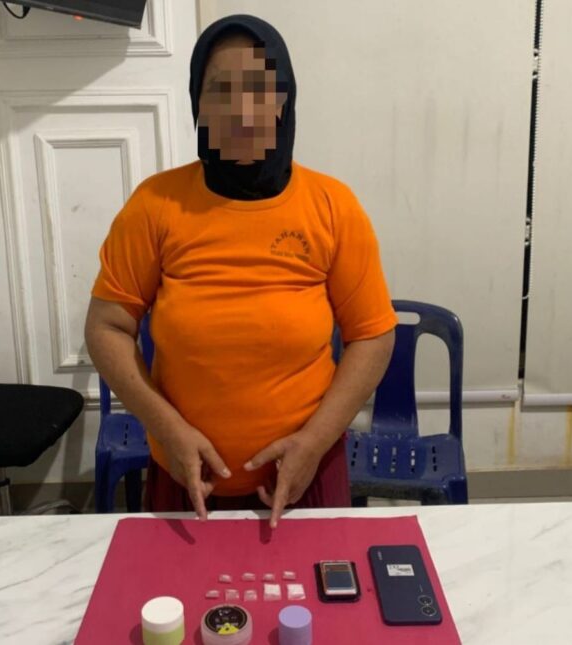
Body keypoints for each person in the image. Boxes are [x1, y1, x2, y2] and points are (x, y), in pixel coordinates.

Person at [85, 15, 397, 528]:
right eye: (221, 90)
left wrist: (313, 442)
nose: (241, 109)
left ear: (283, 101)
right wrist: (165, 427)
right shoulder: (155, 206)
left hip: (305, 477)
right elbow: (107, 327)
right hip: (184, 480)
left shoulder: (333, 206)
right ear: (198, 104)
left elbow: (373, 335)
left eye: (259, 88)